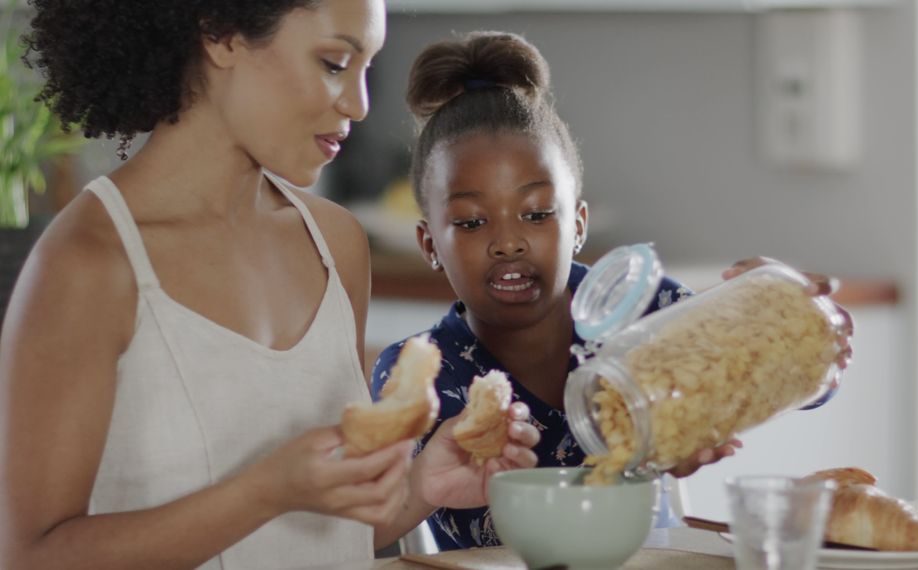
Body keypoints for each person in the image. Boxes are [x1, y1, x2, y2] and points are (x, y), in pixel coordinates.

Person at [0, 2, 541, 569]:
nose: (359, 103)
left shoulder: (335, 245)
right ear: (222, 34)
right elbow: (31, 558)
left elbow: (323, 527)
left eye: (366, 70)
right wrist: (264, 491)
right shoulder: (90, 262)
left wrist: (422, 484)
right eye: (334, 62)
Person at [371, 30, 850, 551]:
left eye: (536, 214)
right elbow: (359, 531)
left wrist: (789, 319)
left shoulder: (642, 312)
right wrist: (417, 487)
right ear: (428, 243)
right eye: (470, 223)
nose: (507, 242)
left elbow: (794, 380)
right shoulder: (418, 375)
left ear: (578, 225)